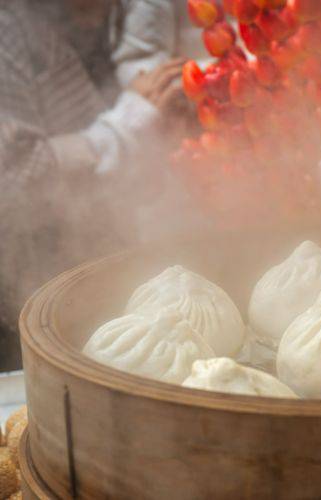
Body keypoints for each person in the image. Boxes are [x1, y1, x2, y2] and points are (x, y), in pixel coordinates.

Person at [0, 0, 185, 370]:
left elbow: (120, 183)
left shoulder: (120, 13)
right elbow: (13, 178)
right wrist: (124, 129)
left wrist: (157, 133)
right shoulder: (8, 28)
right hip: (20, 297)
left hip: (102, 266)